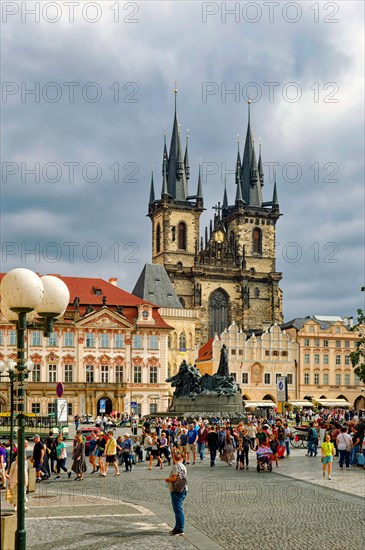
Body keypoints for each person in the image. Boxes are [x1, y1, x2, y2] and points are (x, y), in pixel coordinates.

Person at [164, 449, 187, 537]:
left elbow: (174, 478)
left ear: (174, 458)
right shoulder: (183, 466)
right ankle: (177, 528)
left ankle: (180, 529)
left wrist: (167, 479)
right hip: (183, 489)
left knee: (178, 510)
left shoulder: (176, 466)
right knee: (177, 510)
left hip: (177, 490)